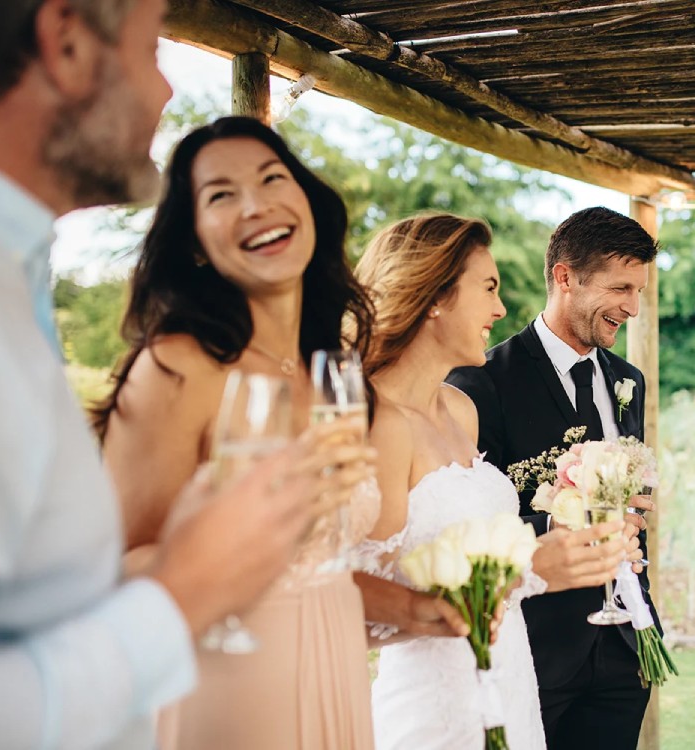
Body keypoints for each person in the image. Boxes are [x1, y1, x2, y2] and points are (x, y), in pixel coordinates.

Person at [0, 2, 330, 748]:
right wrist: (183, 591)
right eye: (152, 46)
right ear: (64, 44)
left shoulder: (5, 277)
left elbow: (21, 614)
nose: (164, 90)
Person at [95, 117, 467, 749]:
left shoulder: (330, 374)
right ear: (194, 241)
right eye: (221, 195)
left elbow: (314, 559)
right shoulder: (179, 366)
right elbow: (114, 579)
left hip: (336, 674)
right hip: (228, 689)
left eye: (273, 178)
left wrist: (408, 608)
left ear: (307, 204)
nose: (256, 204)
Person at [356, 214, 635, 750]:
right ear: (434, 297)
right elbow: (351, 604)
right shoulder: (377, 423)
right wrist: (529, 568)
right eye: (488, 288)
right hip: (433, 706)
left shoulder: (460, 412)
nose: (501, 309)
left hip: (510, 681)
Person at [447, 206, 662, 750]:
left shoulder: (626, 379)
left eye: (638, 292)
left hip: (624, 645)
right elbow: (466, 518)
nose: (633, 308)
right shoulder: (479, 383)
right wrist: (559, 520)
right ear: (565, 278)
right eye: (621, 289)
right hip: (537, 646)